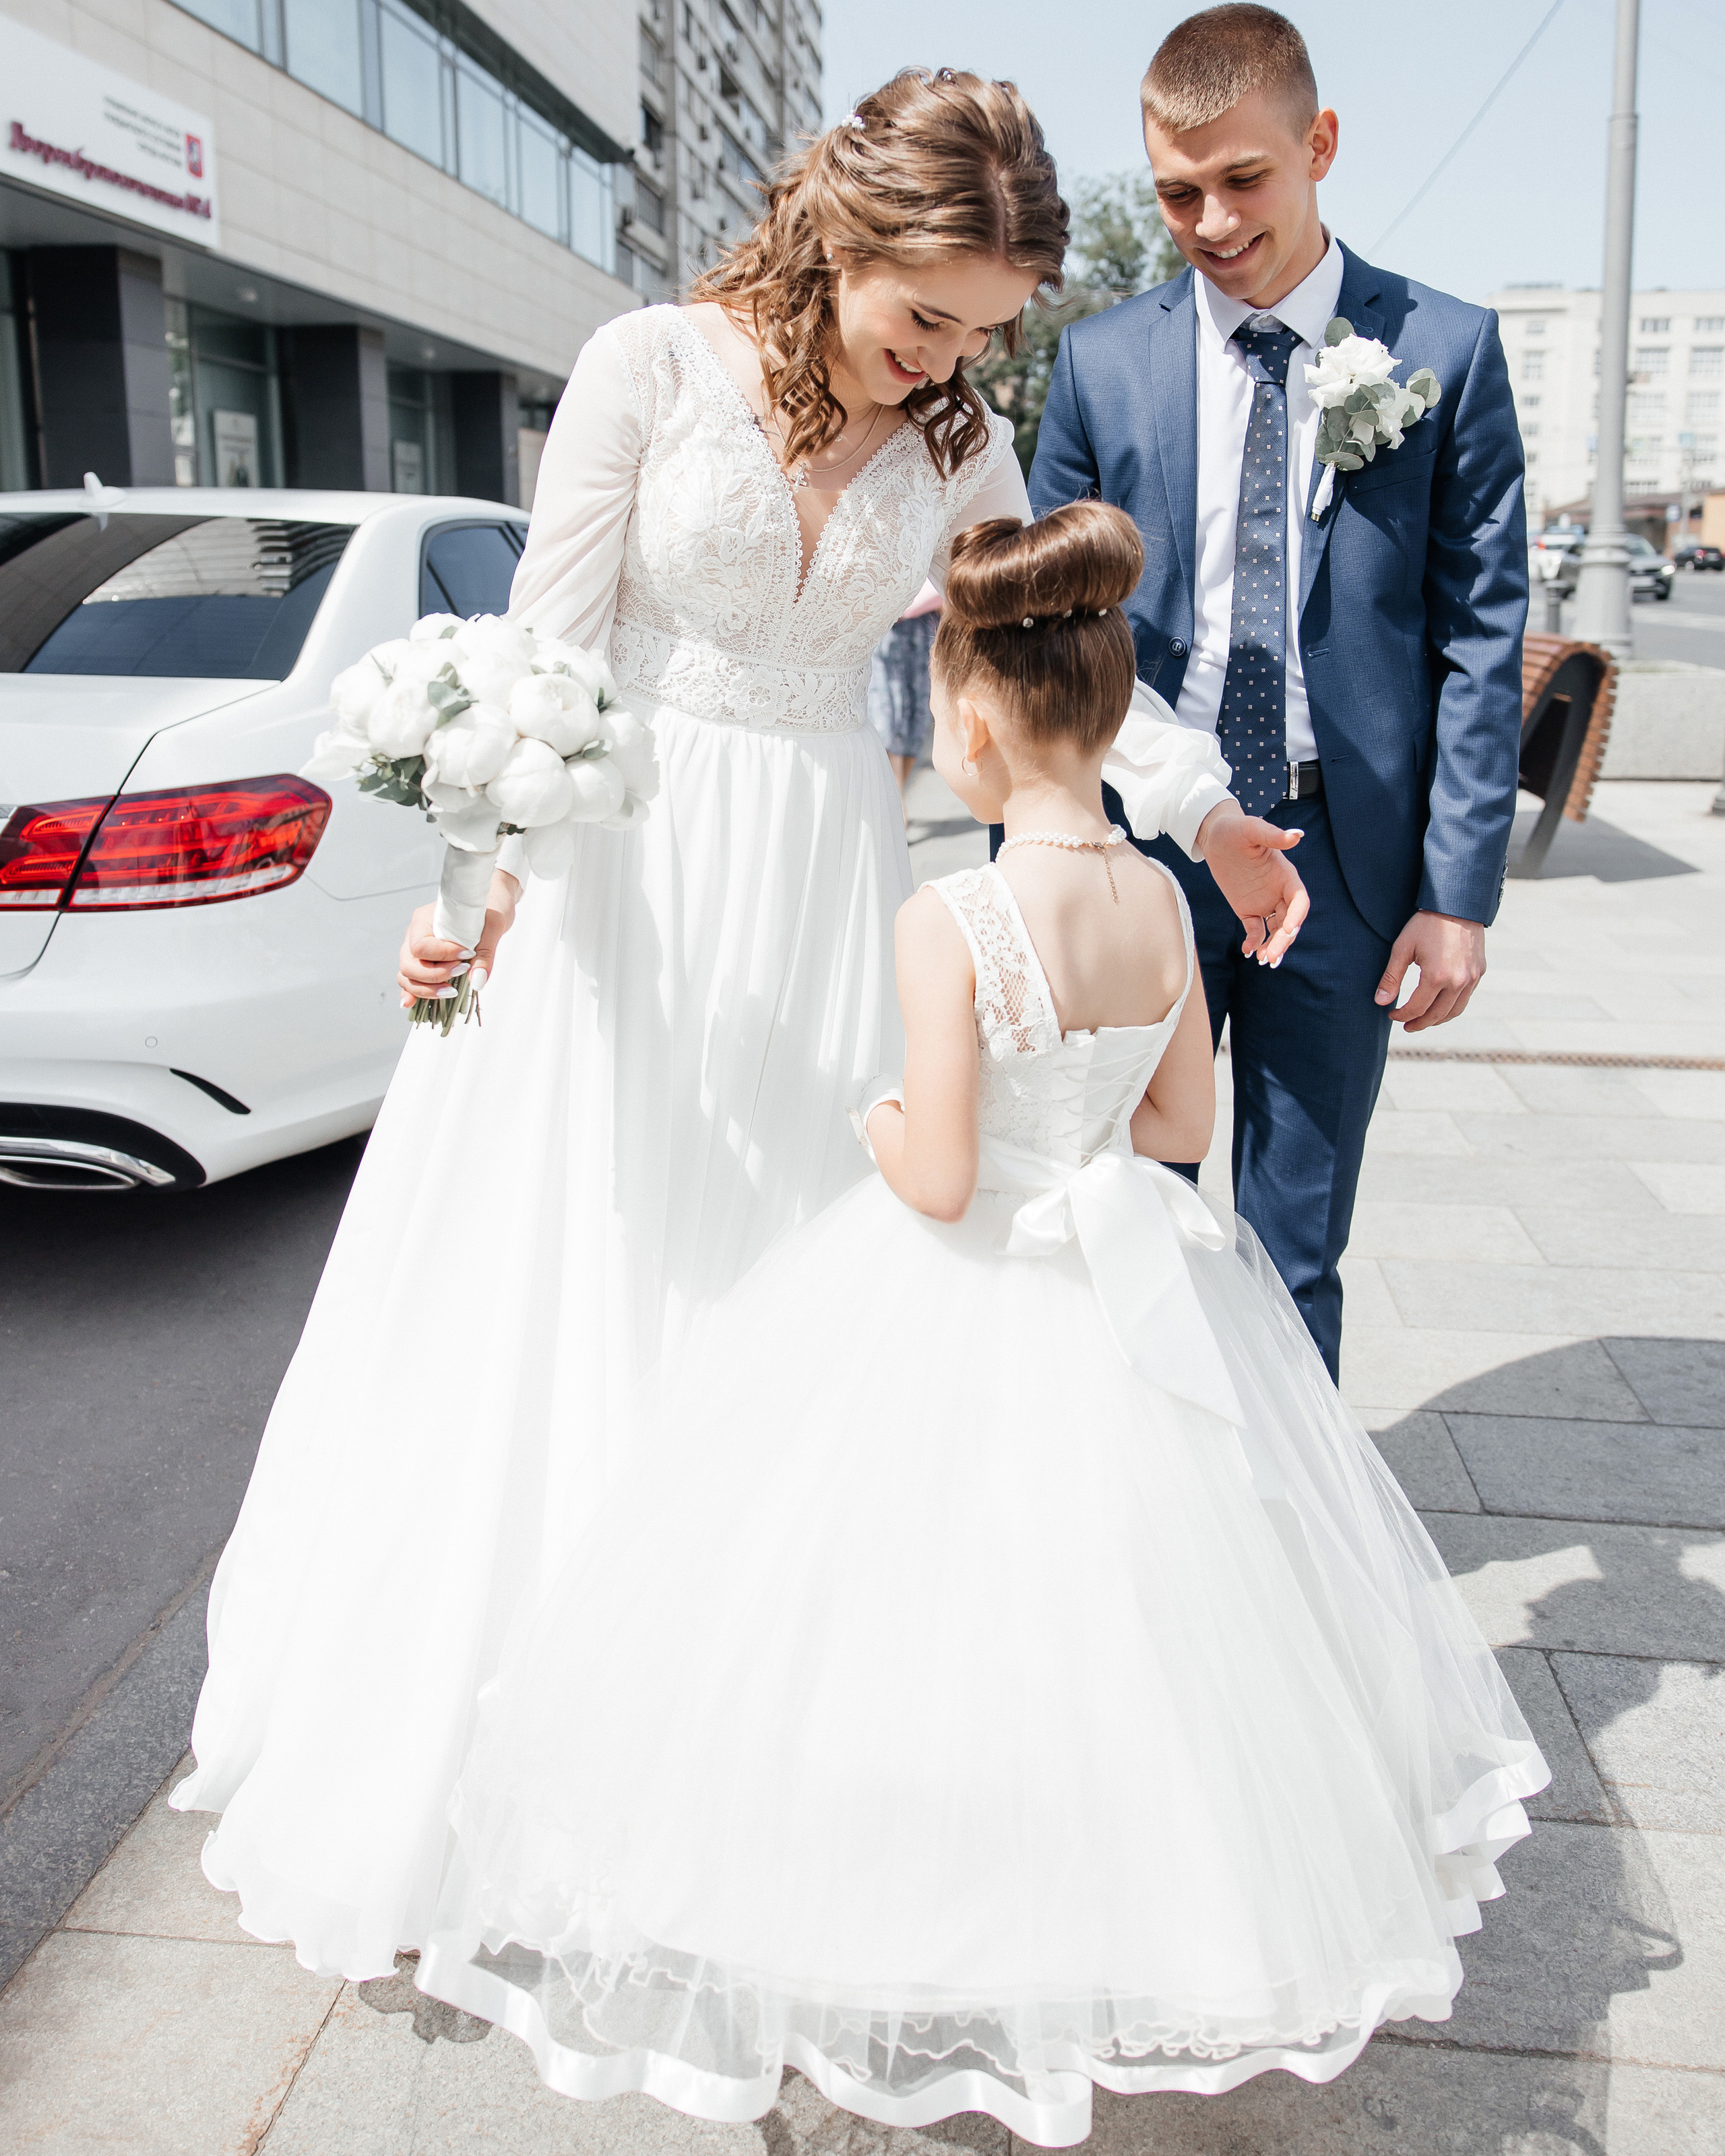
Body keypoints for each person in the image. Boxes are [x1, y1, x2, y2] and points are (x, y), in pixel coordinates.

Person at [171, 70, 1306, 1980]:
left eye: (977, 334)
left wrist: (1196, 810)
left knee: (781, 1286)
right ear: (843, 231)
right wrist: (469, 888)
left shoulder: (954, 441)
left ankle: (734, 1753)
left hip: (818, 878)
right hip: (623, 876)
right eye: (925, 314)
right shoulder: (646, 366)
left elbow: (1049, 651)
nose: (943, 361)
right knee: (584, 1272)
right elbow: (543, 652)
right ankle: (510, 1755)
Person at [418, 505, 1546, 2146]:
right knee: (1127, 1611)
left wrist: (876, 1116)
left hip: (969, 1276)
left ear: (966, 722)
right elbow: (1177, 1129)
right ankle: (1121, 1899)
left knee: (901, 1598)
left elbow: (940, 1181)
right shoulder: (1163, 904)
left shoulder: (947, 918)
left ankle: (916, 1892)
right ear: (1106, 713)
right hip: (1125, 1267)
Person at [1030, 4, 1528, 1382]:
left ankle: (1284, 1502)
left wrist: (1457, 894)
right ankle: (1147, 1477)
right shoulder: (1099, 363)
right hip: (1140, 852)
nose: (1209, 221)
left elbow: (1481, 635)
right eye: (1174, 192)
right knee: (1121, 1210)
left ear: (1319, 145)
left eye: (1241, 178)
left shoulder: (1444, 350)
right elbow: (1046, 634)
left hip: (1344, 866)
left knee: (1293, 1244)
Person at [867, 578, 942, 809]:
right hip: (885, 632)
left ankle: (896, 798)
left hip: (923, 630)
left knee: (915, 722)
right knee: (888, 716)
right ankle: (895, 803)